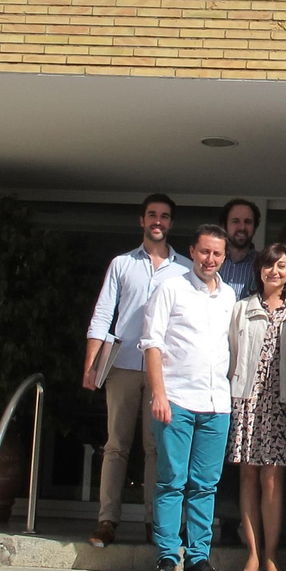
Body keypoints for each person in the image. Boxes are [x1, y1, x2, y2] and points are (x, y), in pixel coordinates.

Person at [83, 194, 192, 548]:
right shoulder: (121, 264)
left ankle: (153, 522)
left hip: (165, 371)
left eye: (164, 216)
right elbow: (103, 314)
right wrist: (91, 364)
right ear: (141, 221)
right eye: (151, 215)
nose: (157, 221)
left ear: (171, 223)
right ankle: (107, 521)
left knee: (155, 448)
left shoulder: (185, 268)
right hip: (124, 365)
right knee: (116, 446)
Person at [141, 225, 238, 571]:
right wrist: (159, 393)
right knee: (171, 481)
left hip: (216, 404)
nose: (210, 259)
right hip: (177, 399)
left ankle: (198, 557)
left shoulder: (229, 297)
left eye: (217, 254)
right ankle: (167, 556)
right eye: (204, 252)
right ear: (192, 252)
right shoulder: (171, 287)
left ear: (224, 257)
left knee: (205, 485)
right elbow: (152, 343)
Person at [226, 243, 286, 571]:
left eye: (282, 266)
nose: (276, 272)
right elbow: (229, 352)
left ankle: (271, 556)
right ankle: (252, 555)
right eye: (270, 266)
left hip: (280, 402)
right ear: (260, 270)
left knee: (272, 480)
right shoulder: (241, 309)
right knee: (248, 477)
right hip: (247, 399)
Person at [218, 198, 261, 297]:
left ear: (255, 227)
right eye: (235, 221)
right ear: (224, 226)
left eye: (248, 222)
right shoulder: (210, 262)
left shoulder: (264, 264)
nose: (242, 227)